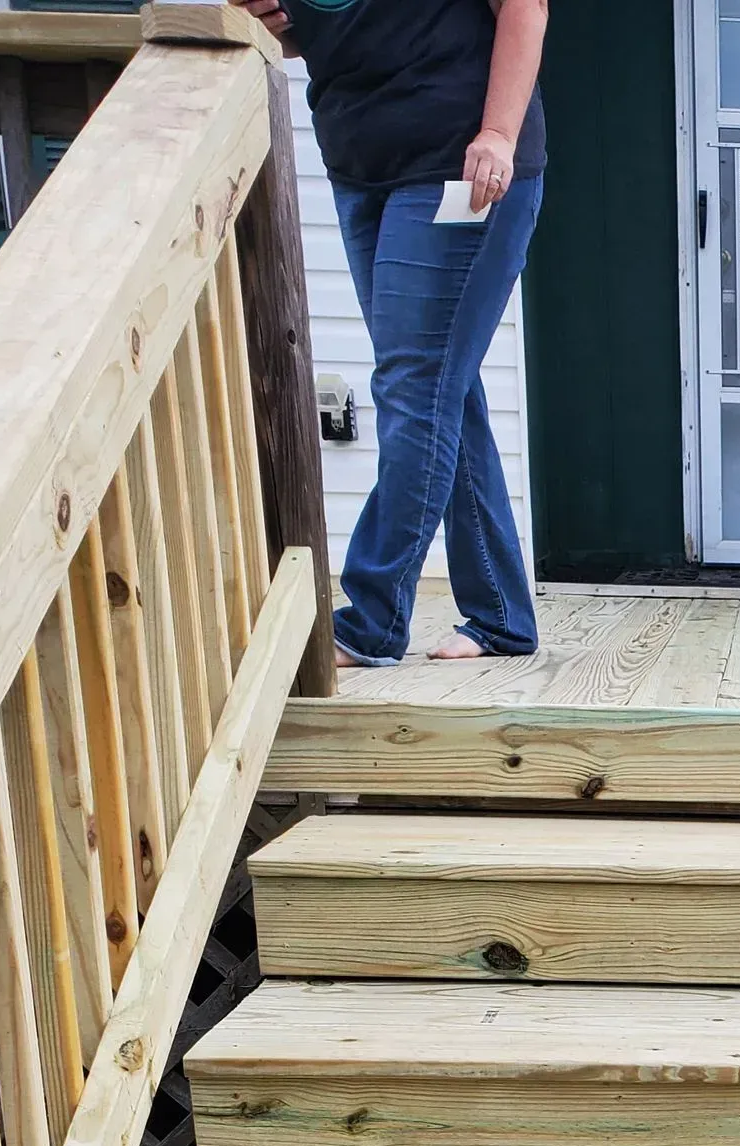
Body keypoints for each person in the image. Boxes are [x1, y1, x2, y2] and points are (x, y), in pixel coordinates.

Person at [239, 0, 548, 666]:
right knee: (440, 388)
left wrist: (499, 133)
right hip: (360, 168)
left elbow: (526, 6)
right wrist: (279, 24)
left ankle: (372, 620)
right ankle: (501, 617)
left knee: (417, 385)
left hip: (460, 166)